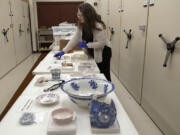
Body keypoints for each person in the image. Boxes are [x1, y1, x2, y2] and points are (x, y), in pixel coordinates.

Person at [54, 3, 112, 81]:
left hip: (103, 52)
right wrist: (64, 51)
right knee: (94, 72)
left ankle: (107, 91)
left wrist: (87, 45)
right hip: (92, 50)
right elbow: (75, 39)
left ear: (88, 15)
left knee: (103, 74)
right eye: (78, 15)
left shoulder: (97, 26)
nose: (79, 17)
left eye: (81, 15)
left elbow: (101, 43)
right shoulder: (81, 25)